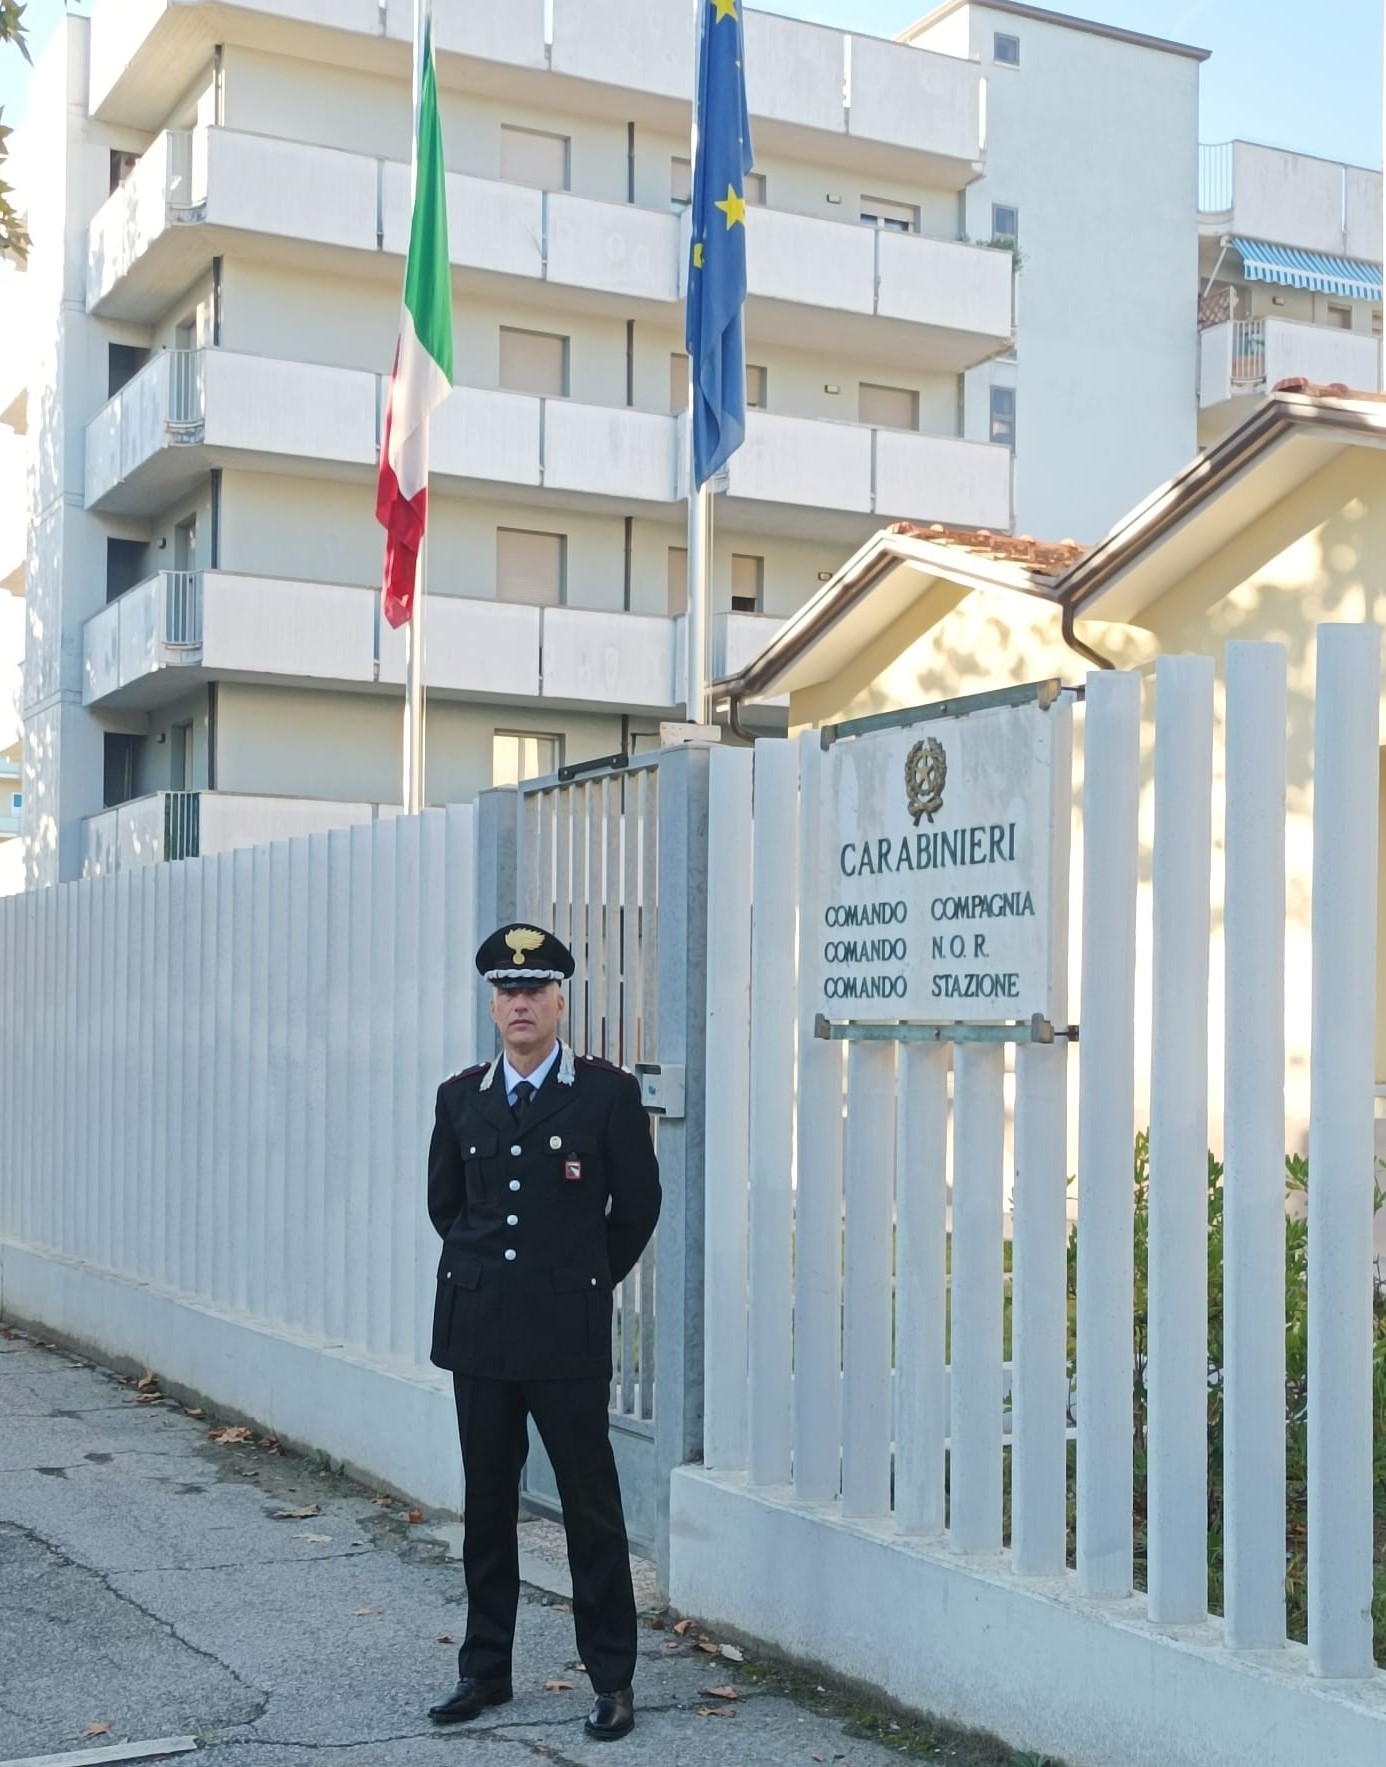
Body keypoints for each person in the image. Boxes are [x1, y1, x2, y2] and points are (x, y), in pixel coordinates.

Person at [425, 922, 661, 1743]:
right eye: (505, 990)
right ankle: (484, 1668)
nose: (519, 1003)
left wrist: (581, 1282)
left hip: (566, 1338)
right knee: (487, 1506)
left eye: (534, 989)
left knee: (589, 1510)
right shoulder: (462, 1097)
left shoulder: (605, 1095)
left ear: (561, 999)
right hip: (480, 1334)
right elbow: (447, 1208)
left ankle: (612, 1680)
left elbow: (636, 1209)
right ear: (493, 1005)